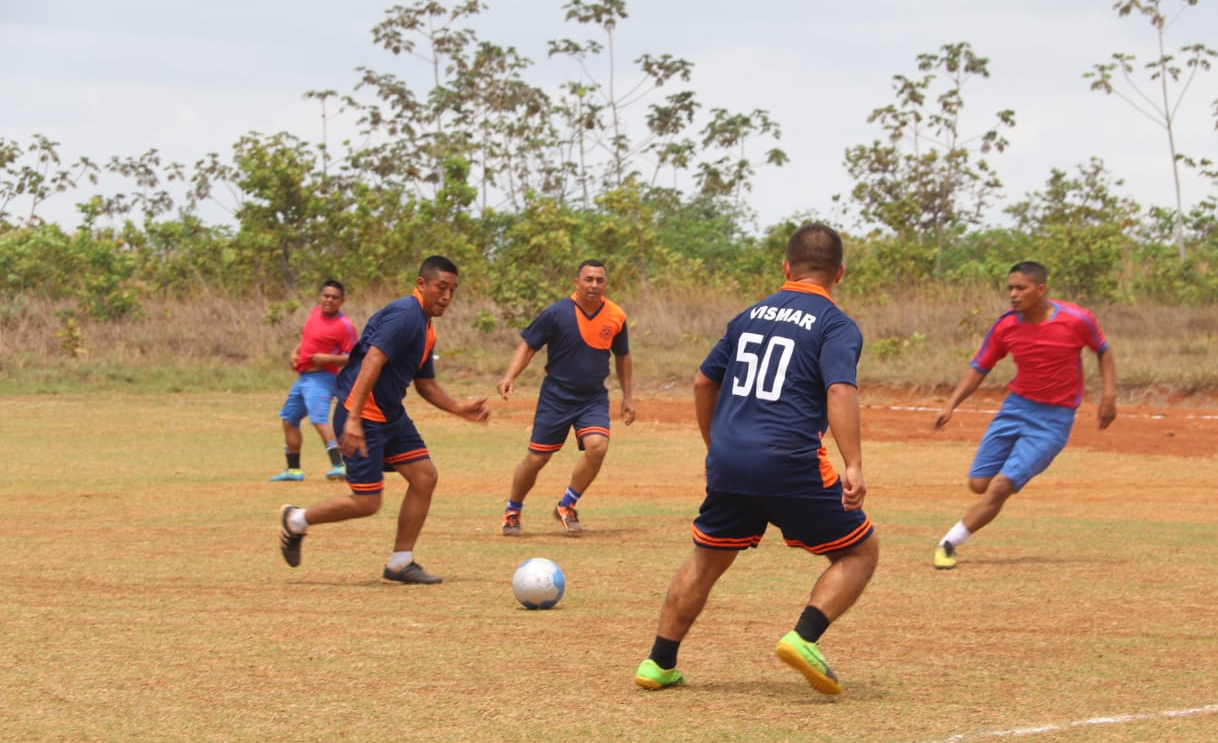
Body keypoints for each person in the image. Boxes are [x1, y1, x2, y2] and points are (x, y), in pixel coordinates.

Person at [634, 223, 879, 696]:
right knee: (859, 551)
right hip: (789, 459)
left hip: (730, 460)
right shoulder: (836, 325)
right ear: (839, 274)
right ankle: (803, 636)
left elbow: (703, 382)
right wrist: (853, 463)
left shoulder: (747, 316)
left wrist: (717, 445)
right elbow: (839, 389)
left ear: (785, 267)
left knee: (707, 558)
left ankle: (658, 663)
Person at [276, 256, 490, 584]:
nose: (447, 296)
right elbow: (372, 360)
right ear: (421, 284)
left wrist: (459, 408)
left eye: (453, 290)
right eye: (441, 287)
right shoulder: (405, 315)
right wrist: (353, 420)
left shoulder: (426, 328)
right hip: (362, 414)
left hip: (390, 415)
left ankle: (400, 563)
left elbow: (426, 384)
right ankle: (296, 520)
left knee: (424, 477)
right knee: (367, 502)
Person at [931, 260, 1117, 570]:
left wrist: (1109, 395)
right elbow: (980, 367)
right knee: (978, 483)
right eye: (1010, 288)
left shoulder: (1076, 319)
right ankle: (1010, 472)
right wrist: (950, 405)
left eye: (1021, 288)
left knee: (1000, 487)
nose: (1013, 294)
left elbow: (1102, 349)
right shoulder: (1005, 326)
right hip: (1015, 408)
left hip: (1054, 420)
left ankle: (948, 543)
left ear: (1040, 290)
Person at [497, 259, 635, 536]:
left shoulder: (616, 315)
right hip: (556, 397)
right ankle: (513, 510)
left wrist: (628, 397)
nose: (593, 285)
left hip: (593, 397)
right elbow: (528, 346)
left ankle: (567, 505)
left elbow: (623, 356)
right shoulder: (557, 313)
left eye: (599, 280)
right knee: (537, 459)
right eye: (588, 279)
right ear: (577, 282)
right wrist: (509, 376)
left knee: (598, 446)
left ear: (606, 284)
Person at [269, 280, 358, 482]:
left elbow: (354, 356)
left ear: (342, 301)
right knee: (289, 419)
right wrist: (295, 352)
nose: (329, 300)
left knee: (319, 419)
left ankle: (339, 465)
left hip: (322, 378)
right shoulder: (315, 312)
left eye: (334, 297)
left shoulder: (344, 325)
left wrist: (328, 359)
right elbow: (307, 340)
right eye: (326, 295)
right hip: (303, 378)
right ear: (320, 296)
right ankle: (293, 470)